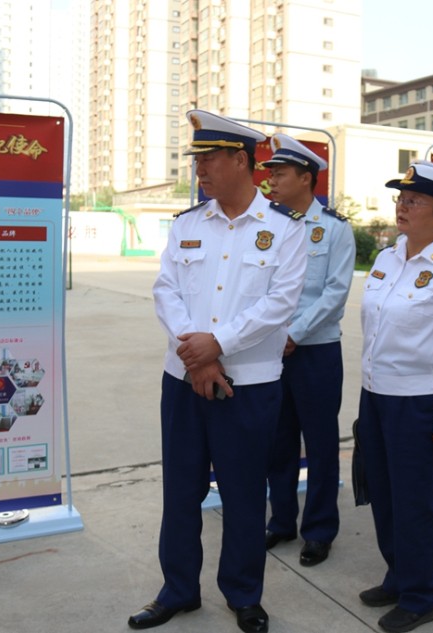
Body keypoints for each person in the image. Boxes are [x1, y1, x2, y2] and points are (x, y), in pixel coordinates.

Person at [131, 110, 307, 633]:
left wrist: (218, 345)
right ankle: (178, 590)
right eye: (198, 160)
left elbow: (280, 304)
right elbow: (166, 291)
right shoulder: (187, 224)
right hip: (183, 380)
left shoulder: (284, 229)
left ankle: (244, 595)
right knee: (180, 492)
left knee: (245, 495)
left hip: (248, 387)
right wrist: (198, 353)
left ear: (241, 161)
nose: (200, 169)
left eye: (209, 159)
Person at [356, 160, 433, 633]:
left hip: (418, 403)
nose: (402, 207)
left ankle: (421, 595)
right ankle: (398, 575)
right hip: (375, 396)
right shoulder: (387, 259)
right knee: (382, 495)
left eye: (414, 201)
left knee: (413, 504)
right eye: (401, 199)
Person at [263, 133, 356, 567]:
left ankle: (318, 530)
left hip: (316, 351)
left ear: (305, 178)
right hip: (270, 351)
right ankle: (282, 520)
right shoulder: (268, 225)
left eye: (280, 174)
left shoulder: (335, 229)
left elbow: (335, 293)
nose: (271, 181)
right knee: (278, 442)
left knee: (320, 445)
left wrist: (294, 333)